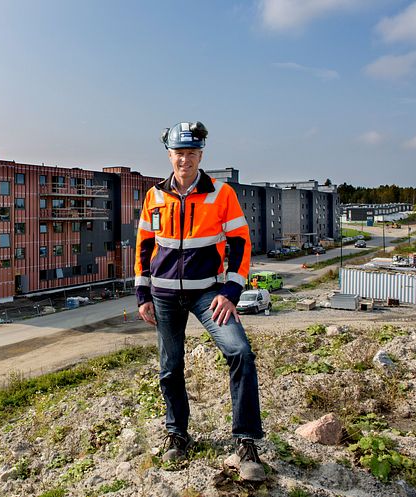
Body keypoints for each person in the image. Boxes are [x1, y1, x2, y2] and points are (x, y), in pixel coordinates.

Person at [134, 121, 265, 481]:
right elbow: (144, 246)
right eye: (179, 153)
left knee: (239, 351)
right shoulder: (153, 196)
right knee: (170, 367)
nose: (185, 160)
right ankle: (177, 433)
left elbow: (240, 243)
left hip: (208, 293)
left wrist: (231, 291)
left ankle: (247, 441)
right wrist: (142, 293)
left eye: (192, 153)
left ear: (201, 155)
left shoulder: (221, 194)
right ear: (170, 155)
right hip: (162, 296)